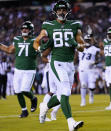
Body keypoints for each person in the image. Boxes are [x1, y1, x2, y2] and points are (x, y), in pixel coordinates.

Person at [33, 1, 85, 130]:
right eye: (59, 10)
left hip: (70, 65)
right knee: (65, 91)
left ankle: (45, 106)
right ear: (55, 11)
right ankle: (71, 123)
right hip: (56, 62)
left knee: (63, 93)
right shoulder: (48, 25)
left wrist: (76, 45)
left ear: (68, 11)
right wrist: (40, 49)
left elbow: (83, 47)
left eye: (64, 10)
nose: (61, 12)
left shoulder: (75, 25)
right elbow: (36, 41)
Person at [0, 21, 38, 118]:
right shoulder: (17, 39)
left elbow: (40, 50)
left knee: (25, 90)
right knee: (17, 91)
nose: (24, 30)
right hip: (18, 70)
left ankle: (33, 98)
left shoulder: (35, 40)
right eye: (23, 28)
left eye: (26, 28)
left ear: (31, 30)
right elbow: (9, 50)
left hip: (29, 70)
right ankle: (24, 111)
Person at [78, 34, 100, 106]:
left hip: (91, 69)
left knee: (92, 85)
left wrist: (93, 63)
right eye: (86, 40)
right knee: (83, 84)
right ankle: (83, 100)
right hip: (82, 69)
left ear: (91, 40)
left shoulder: (94, 48)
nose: (87, 41)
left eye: (88, 40)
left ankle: (91, 95)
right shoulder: (80, 48)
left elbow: (98, 59)